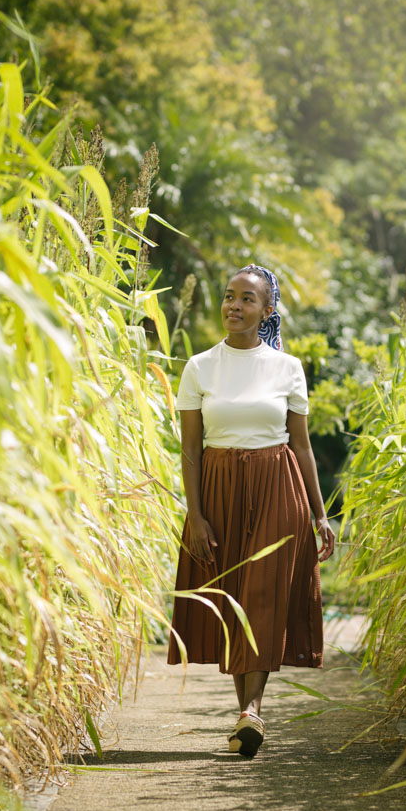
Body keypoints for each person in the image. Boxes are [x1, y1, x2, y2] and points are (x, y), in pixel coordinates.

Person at [169, 264, 334, 758]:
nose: (234, 306)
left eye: (247, 299)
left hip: (277, 487)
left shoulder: (287, 368)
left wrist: (319, 514)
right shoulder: (200, 366)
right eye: (228, 297)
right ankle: (249, 715)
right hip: (218, 489)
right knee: (232, 598)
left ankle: (251, 711)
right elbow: (191, 451)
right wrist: (195, 515)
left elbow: (302, 447)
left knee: (262, 595)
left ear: (266, 311)